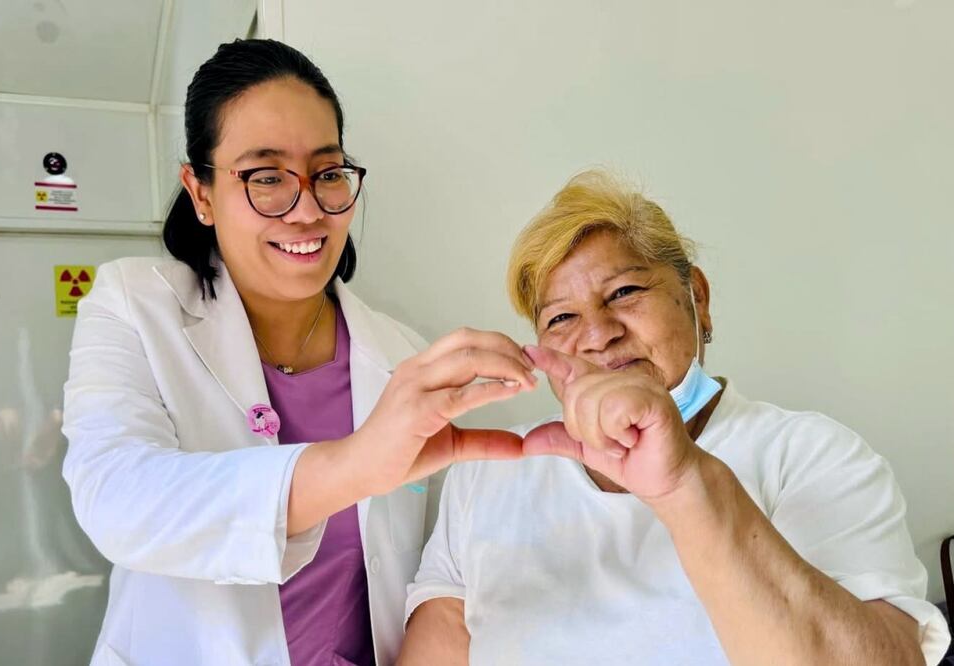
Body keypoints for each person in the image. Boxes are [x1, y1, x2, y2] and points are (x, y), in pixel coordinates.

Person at [61, 39, 537, 666]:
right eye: (266, 177)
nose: (308, 209)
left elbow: (418, 572)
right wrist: (355, 464)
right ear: (200, 193)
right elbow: (115, 499)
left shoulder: (399, 355)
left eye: (328, 173)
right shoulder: (132, 305)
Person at [399, 170, 951, 665]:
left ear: (698, 299)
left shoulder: (810, 454)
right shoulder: (492, 470)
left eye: (625, 292)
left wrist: (684, 480)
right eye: (562, 317)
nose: (597, 334)